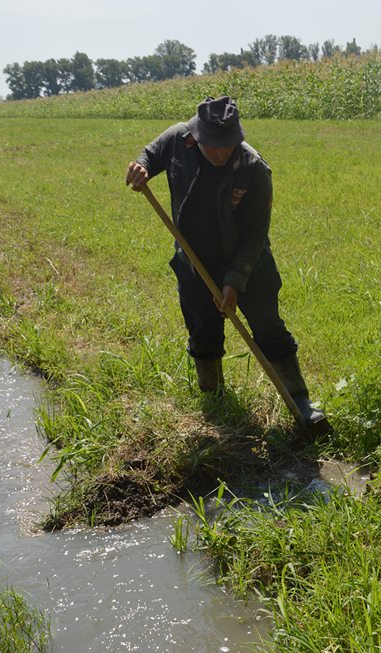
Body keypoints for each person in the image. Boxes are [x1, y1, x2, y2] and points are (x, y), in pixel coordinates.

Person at [125, 95, 327, 431]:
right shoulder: (177, 140)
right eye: (213, 145)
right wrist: (140, 167)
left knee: (268, 327)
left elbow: (255, 235)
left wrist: (233, 282)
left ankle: (300, 402)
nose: (220, 153)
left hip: (250, 264)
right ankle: (213, 399)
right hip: (194, 261)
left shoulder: (253, 168)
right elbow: (150, 155)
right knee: (202, 329)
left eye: (227, 145)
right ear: (197, 136)